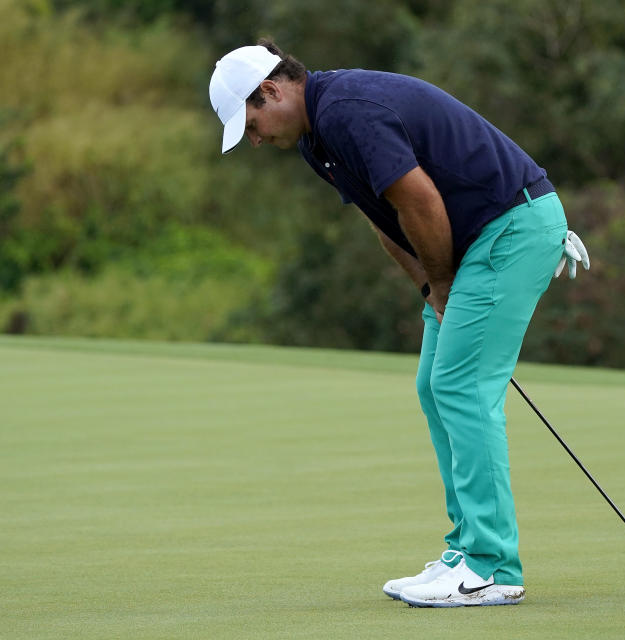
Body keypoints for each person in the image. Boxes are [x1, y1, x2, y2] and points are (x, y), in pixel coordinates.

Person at [208, 39, 589, 608]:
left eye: (253, 123)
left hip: (511, 227)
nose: (256, 139)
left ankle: (493, 567)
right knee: (433, 386)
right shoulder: (318, 139)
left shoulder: (347, 111)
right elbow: (384, 215)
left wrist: (443, 283)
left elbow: (420, 202)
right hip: (480, 237)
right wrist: (427, 286)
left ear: (271, 90)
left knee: (462, 384)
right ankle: (465, 551)